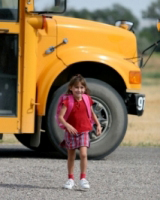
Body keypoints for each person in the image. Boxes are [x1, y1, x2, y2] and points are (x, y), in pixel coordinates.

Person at [58, 74, 101, 190]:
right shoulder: (67, 101)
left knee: (83, 154)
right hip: (71, 132)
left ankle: (83, 178)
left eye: (82, 88)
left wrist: (98, 124)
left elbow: (92, 113)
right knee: (71, 156)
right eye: (76, 87)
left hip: (84, 131)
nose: (79, 90)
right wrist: (67, 125)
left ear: (85, 89)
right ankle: (70, 179)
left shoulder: (87, 99)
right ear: (71, 88)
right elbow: (60, 116)